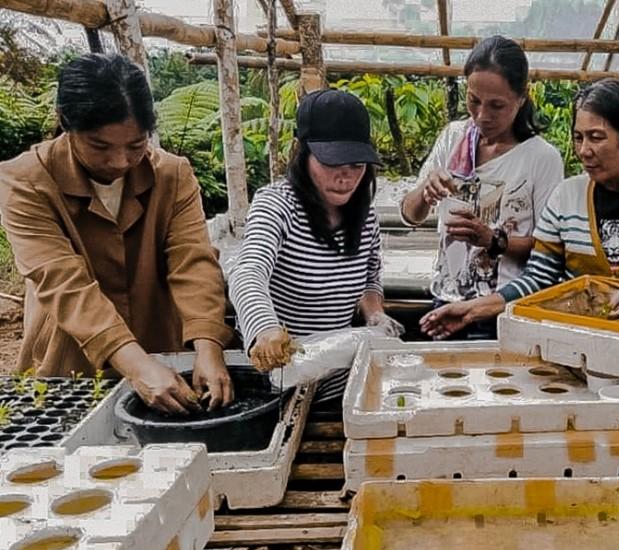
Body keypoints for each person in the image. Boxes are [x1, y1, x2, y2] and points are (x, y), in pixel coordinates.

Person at [0, 53, 234, 414]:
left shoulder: (172, 175)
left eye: (136, 145)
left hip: (162, 350)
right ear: (65, 122)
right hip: (70, 362)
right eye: (100, 146)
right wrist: (138, 367)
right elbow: (62, 282)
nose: (121, 162)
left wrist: (207, 344)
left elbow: (193, 261)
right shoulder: (25, 181)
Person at [421, 78, 619, 338]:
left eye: (596, 137)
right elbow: (538, 278)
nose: (584, 150)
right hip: (578, 338)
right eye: (579, 138)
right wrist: (471, 310)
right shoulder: (567, 196)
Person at [229, 89, 401, 404]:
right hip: (283, 390)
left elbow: (369, 279)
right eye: (333, 162)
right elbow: (248, 272)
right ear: (302, 152)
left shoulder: (365, 217)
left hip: (340, 385)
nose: (347, 175)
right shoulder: (276, 205)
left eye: (357, 164)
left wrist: (375, 314)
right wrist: (266, 330)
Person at [401, 35, 564, 339]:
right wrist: (427, 187)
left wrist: (491, 239)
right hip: (446, 300)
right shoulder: (454, 137)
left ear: (521, 97)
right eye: (473, 100)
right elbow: (410, 215)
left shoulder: (541, 158)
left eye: (497, 106)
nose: (481, 116)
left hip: (503, 309)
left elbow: (549, 250)